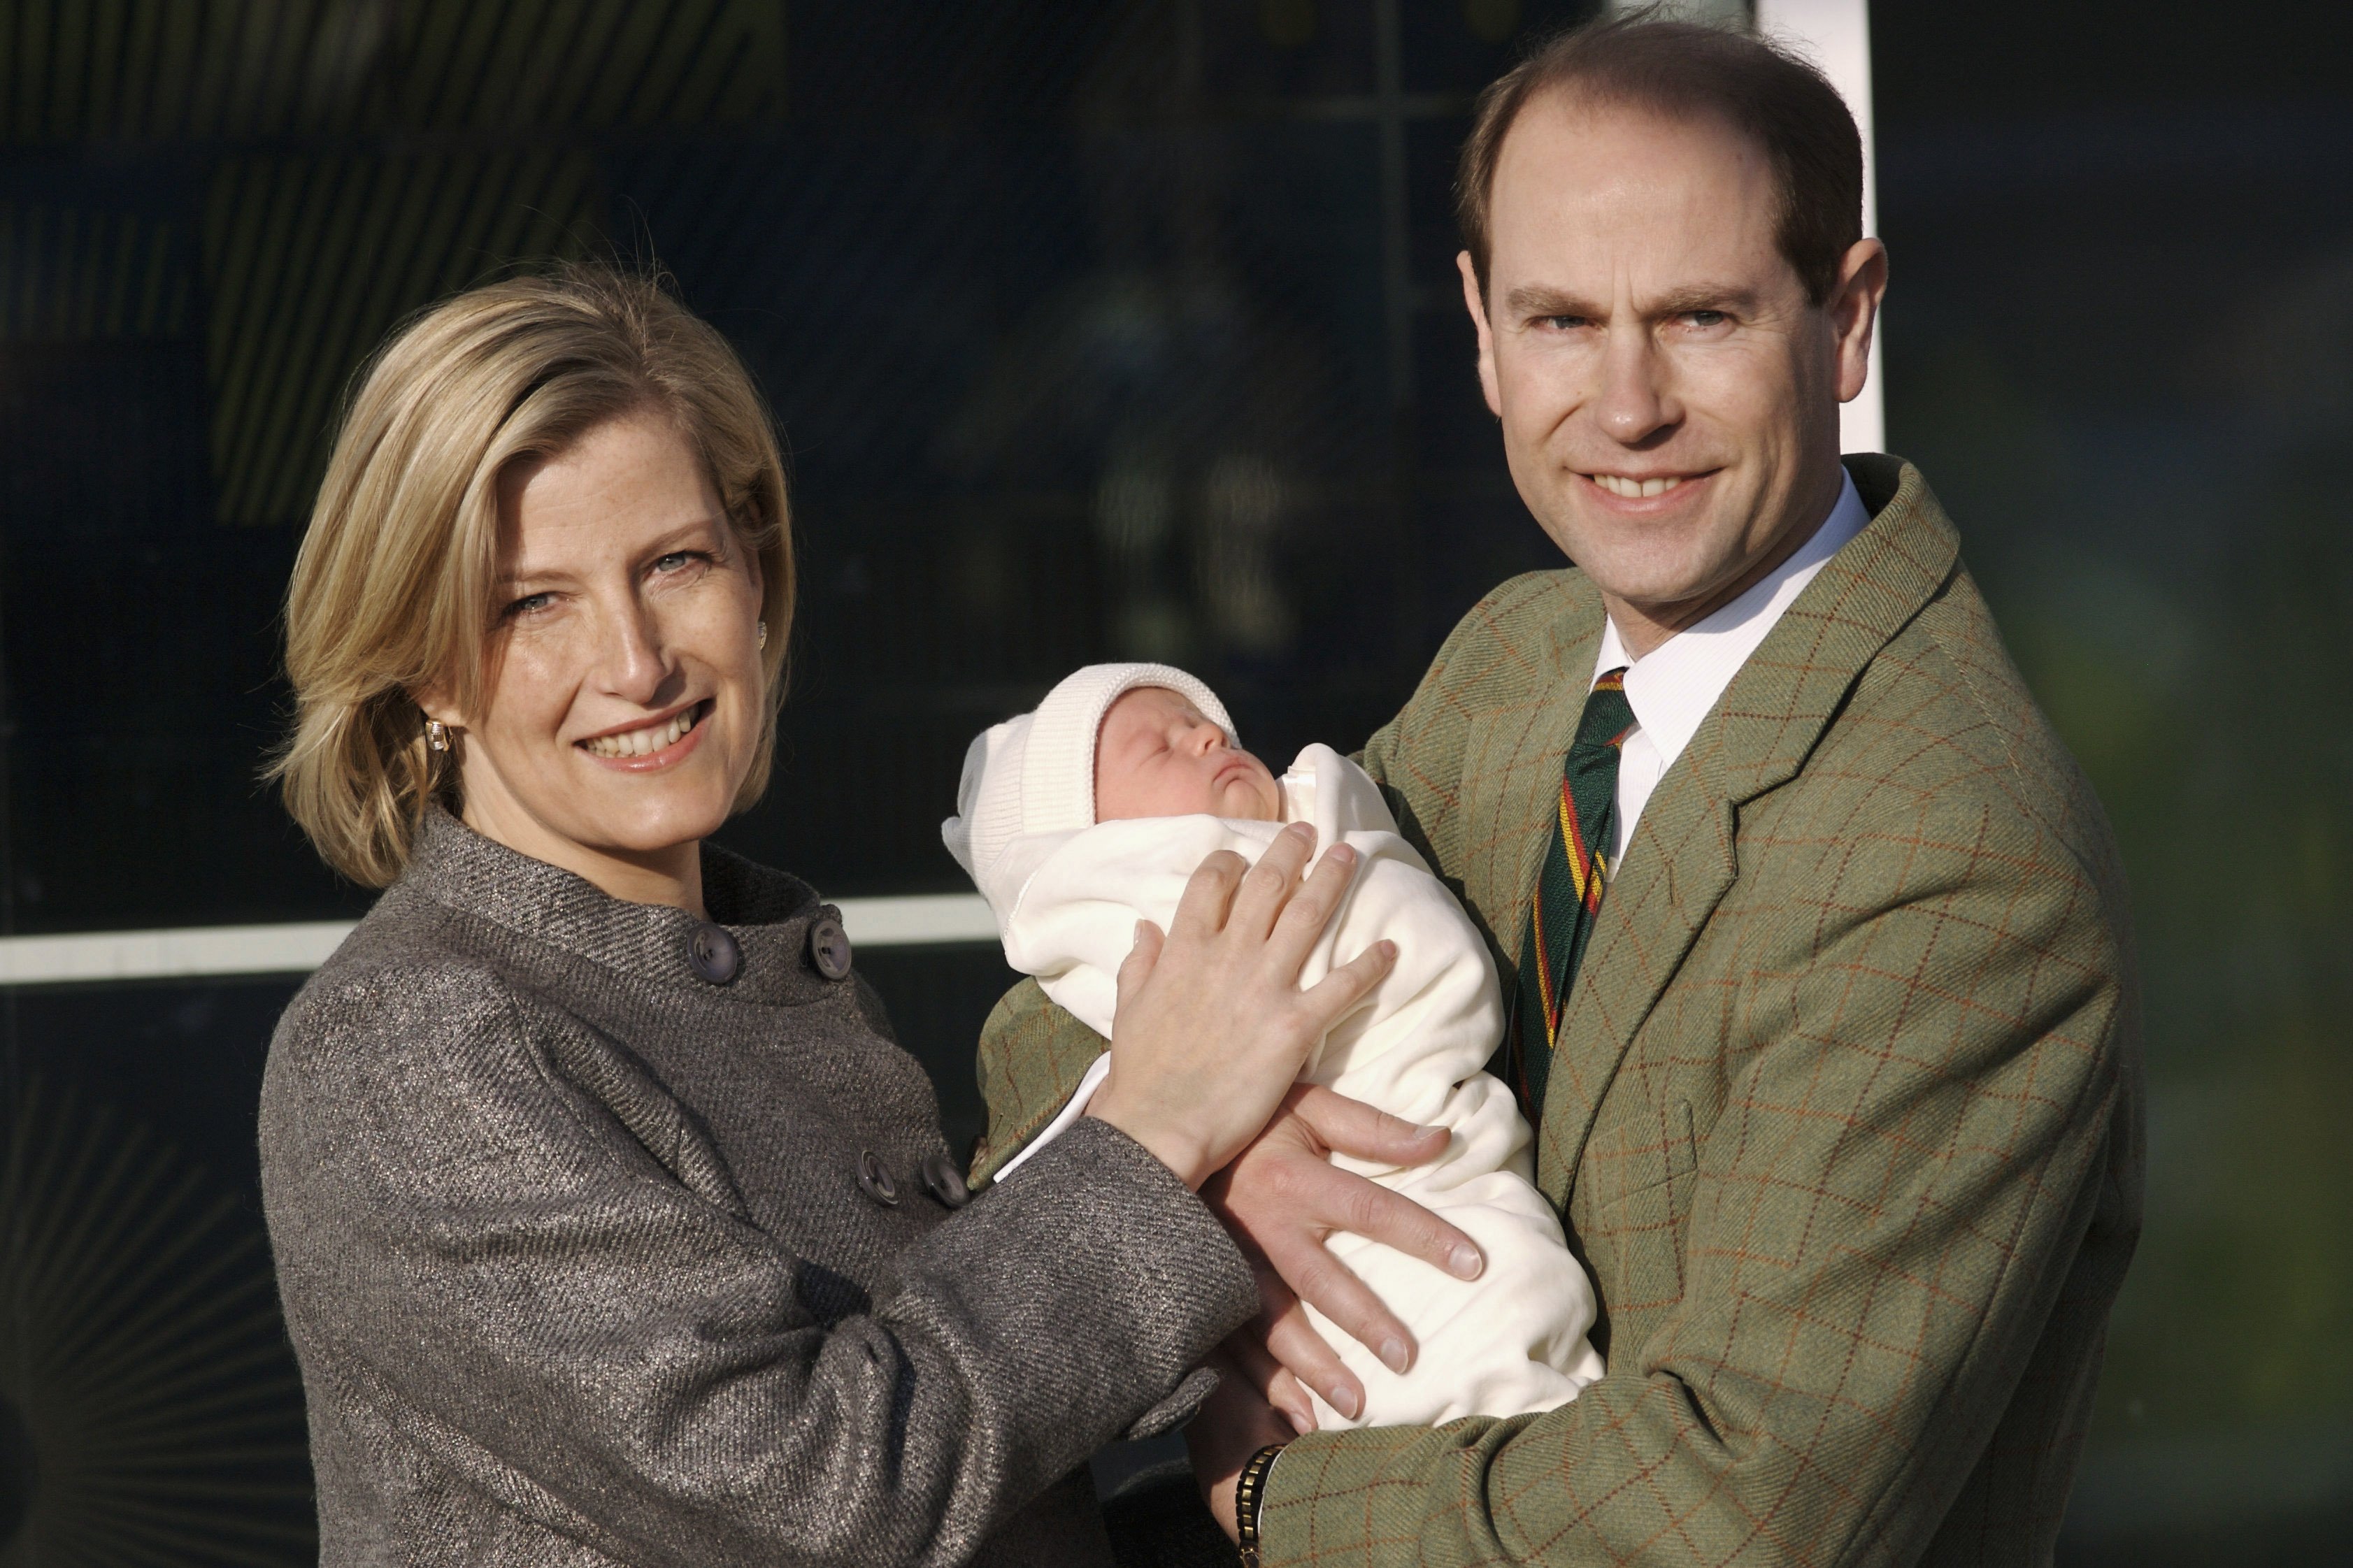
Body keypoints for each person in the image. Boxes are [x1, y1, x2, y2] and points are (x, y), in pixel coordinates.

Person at [972, 15, 2145, 1564]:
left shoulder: (1949, 853)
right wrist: (1219, 1149)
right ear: (1474, 326)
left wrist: (1264, 1500)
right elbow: (1080, 969)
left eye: (1699, 316)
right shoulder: (1517, 660)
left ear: (1845, 317)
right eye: (1557, 321)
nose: (1624, 403)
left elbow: (1729, 1513)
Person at [256, 264, 1399, 1566]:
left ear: (754, 569)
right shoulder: (409, 1048)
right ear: (426, 666)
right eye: (534, 602)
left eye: (675, 561)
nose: (636, 662)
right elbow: (824, 1499)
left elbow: (979, 1464)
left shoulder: (762, 973)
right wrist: (1156, 1130)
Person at [942, 663, 1605, 1429]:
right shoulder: (1139, 911)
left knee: (1512, 1299)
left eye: (1210, 727)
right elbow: (1054, 1088)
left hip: (1448, 1161)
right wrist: (1193, 1169)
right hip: (1366, 1249)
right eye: (1160, 748)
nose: (1205, 732)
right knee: (1462, 1330)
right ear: (1087, 849)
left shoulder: (1338, 808)